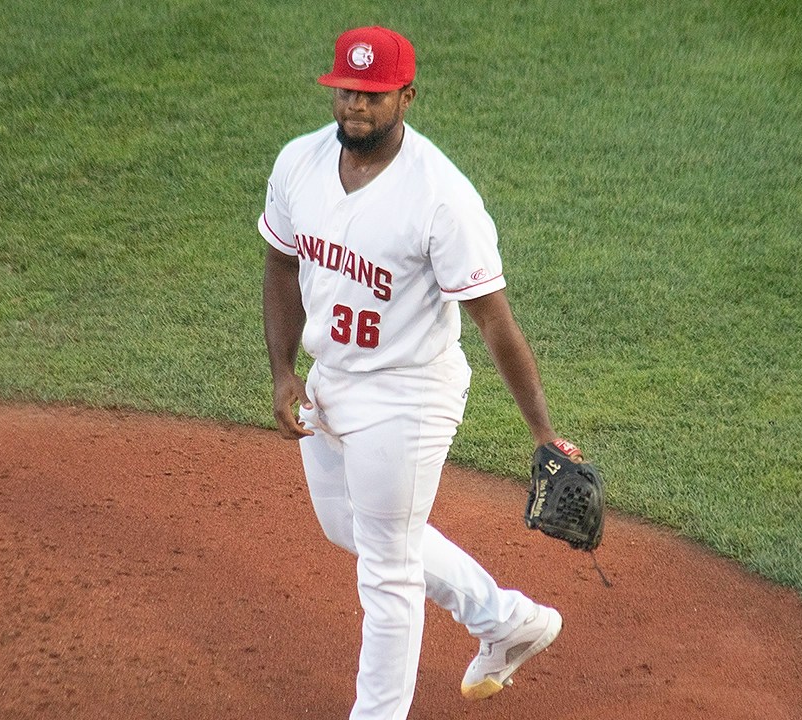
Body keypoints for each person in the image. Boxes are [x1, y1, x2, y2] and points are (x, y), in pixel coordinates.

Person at [260, 25, 582, 720]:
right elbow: (281, 264)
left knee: (387, 569)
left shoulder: (441, 197)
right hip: (331, 379)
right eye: (347, 90)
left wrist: (543, 435)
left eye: (373, 95)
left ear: (406, 96)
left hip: (408, 394)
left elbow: (495, 322)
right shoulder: (298, 163)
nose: (356, 105)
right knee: (350, 528)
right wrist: (284, 371)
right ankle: (506, 620)